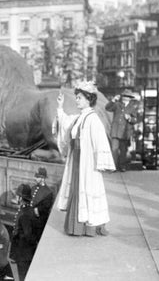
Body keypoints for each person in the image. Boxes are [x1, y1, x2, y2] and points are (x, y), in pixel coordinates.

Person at [56, 81, 116, 236]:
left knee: (86, 189)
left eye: (80, 98)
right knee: (77, 189)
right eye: (76, 97)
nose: (77, 100)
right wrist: (60, 107)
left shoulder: (93, 119)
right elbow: (64, 123)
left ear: (89, 99)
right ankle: (76, 226)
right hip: (77, 160)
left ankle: (87, 227)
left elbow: (100, 141)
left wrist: (102, 162)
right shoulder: (79, 117)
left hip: (87, 162)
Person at [105, 89, 139, 172]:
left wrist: (130, 118)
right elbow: (107, 108)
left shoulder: (132, 108)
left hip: (125, 132)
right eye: (124, 96)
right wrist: (113, 100)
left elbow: (135, 120)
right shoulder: (117, 104)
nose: (125, 98)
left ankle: (122, 166)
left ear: (130, 98)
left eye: (127, 97)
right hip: (115, 131)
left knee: (123, 150)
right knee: (114, 150)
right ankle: (113, 166)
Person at [9, 184, 36, 281]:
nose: (16, 197)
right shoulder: (27, 209)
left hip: (23, 253)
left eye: (17, 195)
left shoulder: (25, 214)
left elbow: (27, 235)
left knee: (22, 276)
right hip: (24, 252)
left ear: (20, 198)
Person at [30, 167, 53, 242]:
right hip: (30, 219)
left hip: (39, 221)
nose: (34, 178)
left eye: (37, 177)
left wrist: (37, 210)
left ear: (42, 178)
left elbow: (45, 207)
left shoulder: (48, 192)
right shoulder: (33, 188)